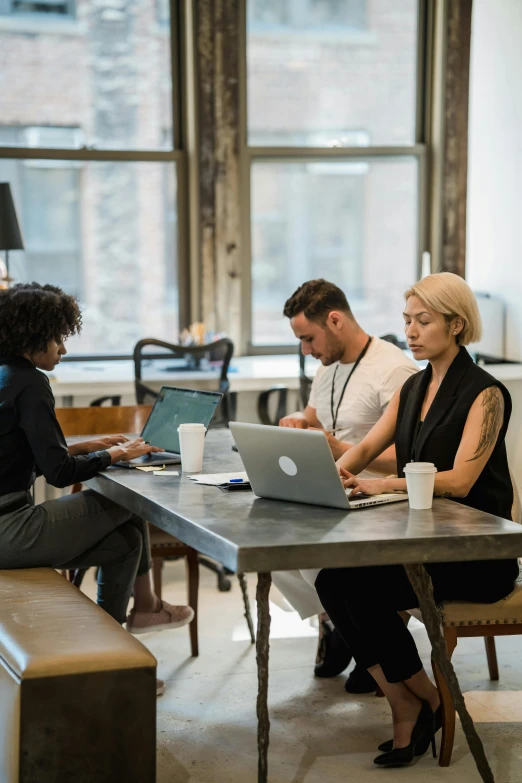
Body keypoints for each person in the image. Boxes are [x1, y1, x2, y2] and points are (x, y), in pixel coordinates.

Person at [313, 272, 519, 766]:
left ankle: (418, 704)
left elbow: (461, 480)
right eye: (406, 320)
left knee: (359, 589)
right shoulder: (413, 387)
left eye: (423, 321)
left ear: (457, 324)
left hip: (477, 553)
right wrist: (324, 480)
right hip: (425, 541)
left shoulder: (486, 393)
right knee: (333, 582)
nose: (410, 331)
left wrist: (383, 485)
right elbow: (364, 449)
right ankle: (412, 698)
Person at [0, 283, 193, 697]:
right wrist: (116, 456)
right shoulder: (31, 383)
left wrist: (85, 447)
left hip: (5, 524)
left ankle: (112, 658)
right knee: (129, 497)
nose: (63, 351)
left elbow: (17, 456)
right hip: (10, 531)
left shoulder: (5, 376)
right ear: (34, 337)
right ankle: (145, 609)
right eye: (59, 339)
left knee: (124, 543)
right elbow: (57, 472)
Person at [271, 279, 418, 692]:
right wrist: (299, 424)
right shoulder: (328, 368)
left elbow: (414, 460)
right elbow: (316, 421)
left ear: (334, 320)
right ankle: (339, 623)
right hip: (336, 488)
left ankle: (360, 634)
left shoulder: (394, 370)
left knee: (305, 549)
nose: (306, 350)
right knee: (269, 537)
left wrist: (338, 447)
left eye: (308, 338)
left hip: (382, 497)